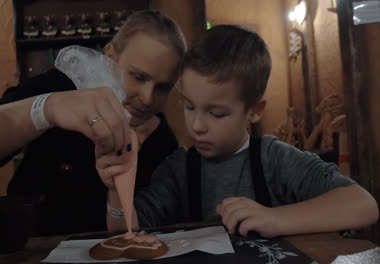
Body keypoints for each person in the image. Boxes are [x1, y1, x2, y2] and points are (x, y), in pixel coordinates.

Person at [98, 25, 378, 238]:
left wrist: (275, 219)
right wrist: (117, 188)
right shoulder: (177, 169)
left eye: (216, 113)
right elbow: (126, 231)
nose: (196, 125)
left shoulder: (275, 160)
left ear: (255, 110)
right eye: (189, 106)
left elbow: (363, 205)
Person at [0, 10, 186, 251]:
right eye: (138, 77)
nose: (147, 98)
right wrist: (48, 108)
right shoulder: (60, 86)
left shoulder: (162, 141)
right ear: (109, 56)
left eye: (162, 87)